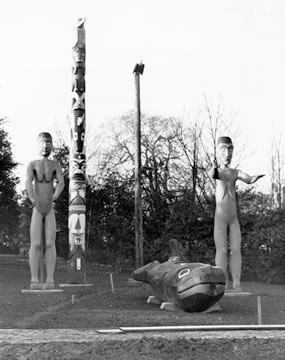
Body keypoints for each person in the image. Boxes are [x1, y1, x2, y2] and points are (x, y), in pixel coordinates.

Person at [208, 136, 264, 291]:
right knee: (222, 250)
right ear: (218, 151)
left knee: (236, 249)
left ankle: (237, 284)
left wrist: (254, 178)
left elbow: (247, 178)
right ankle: (222, 284)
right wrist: (213, 166)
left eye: (230, 149)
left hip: (233, 218)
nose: (227, 153)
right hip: (220, 218)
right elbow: (212, 174)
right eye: (223, 149)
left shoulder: (235, 172)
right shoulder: (217, 171)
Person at [25, 132, 64, 289]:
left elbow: (61, 182)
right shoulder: (32, 164)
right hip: (37, 208)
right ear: (37, 145)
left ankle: (49, 278)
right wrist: (32, 197)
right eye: (42, 142)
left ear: (52, 145)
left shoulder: (55, 165)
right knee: (35, 244)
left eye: (48, 142)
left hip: (49, 208)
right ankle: (34, 278)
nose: (45, 145)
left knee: (49, 243)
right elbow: (28, 182)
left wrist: (55, 195)